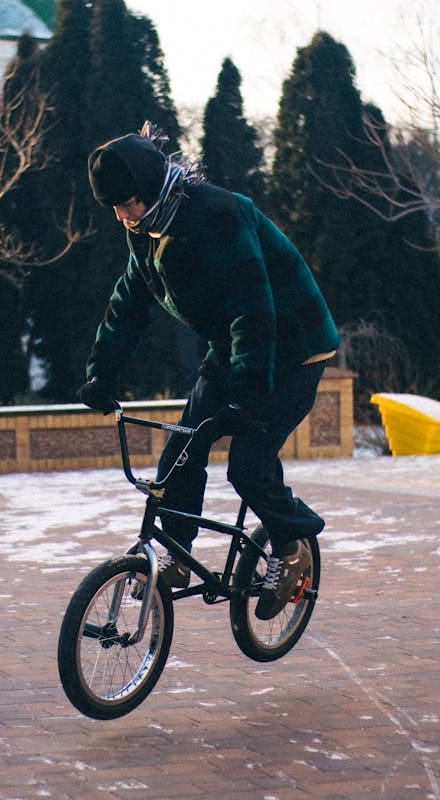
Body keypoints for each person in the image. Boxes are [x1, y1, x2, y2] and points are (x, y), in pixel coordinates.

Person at [77, 122, 339, 620]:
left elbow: (253, 308)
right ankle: (175, 555)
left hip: (293, 347)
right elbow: (128, 303)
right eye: (112, 206)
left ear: (150, 188)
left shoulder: (218, 215)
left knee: (247, 466)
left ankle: (293, 542)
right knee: (180, 453)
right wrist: (101, 374)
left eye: (127, 202)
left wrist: (245, 396)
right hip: (235, 347)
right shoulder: (146, 228)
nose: (121, 215)